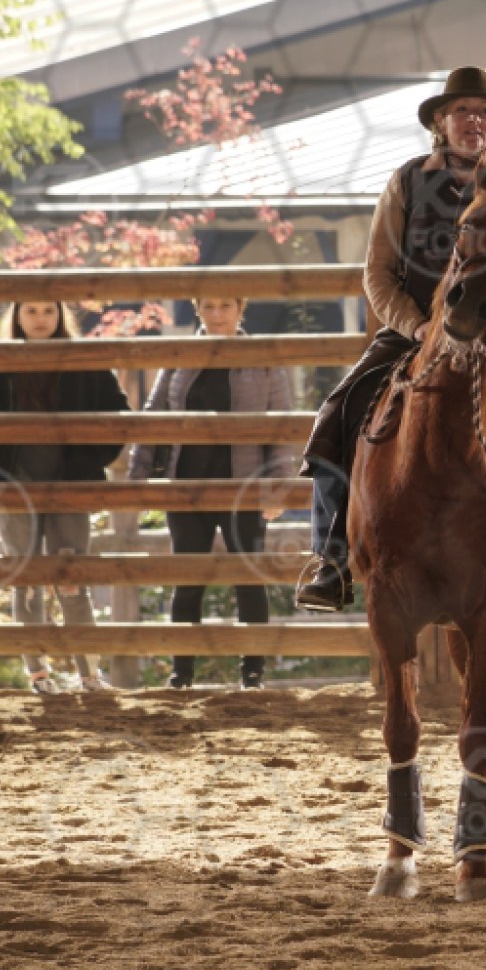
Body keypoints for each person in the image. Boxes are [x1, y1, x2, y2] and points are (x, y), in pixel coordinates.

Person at [295, 66, 486, 613]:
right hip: (416, 331)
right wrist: (418, 327)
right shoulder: (405, 181)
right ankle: (330, 559)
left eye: (485, 112)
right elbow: (378, 272)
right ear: (440, 122)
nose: (475, 120)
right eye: (463, 110)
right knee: (337, 413)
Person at [128, 296, 298, 690]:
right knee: (188, 580)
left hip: (244, 487)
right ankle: (182, 673)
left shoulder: (264, 359)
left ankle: (252, 673)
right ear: (197, 310)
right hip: (186, 487)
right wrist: (137, 479)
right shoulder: (180, 356)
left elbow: (281, 429)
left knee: (249, 579)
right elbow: (153, 415)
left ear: (241, 309)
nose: (217, 314)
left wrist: (278, 488)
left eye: (225, 306)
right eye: (209, 306)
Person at [0, 302, 129, 693]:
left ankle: (89, 674)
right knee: (26, 578)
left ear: (60, 317)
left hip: (70, 482)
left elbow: (118, 415)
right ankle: (38, 675)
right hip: (12, 482)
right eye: (31, 311)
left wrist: (89, 460)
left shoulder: (85, 361)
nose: (40, 318)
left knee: (72, 574)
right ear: (17, 316)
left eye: (48, 311)